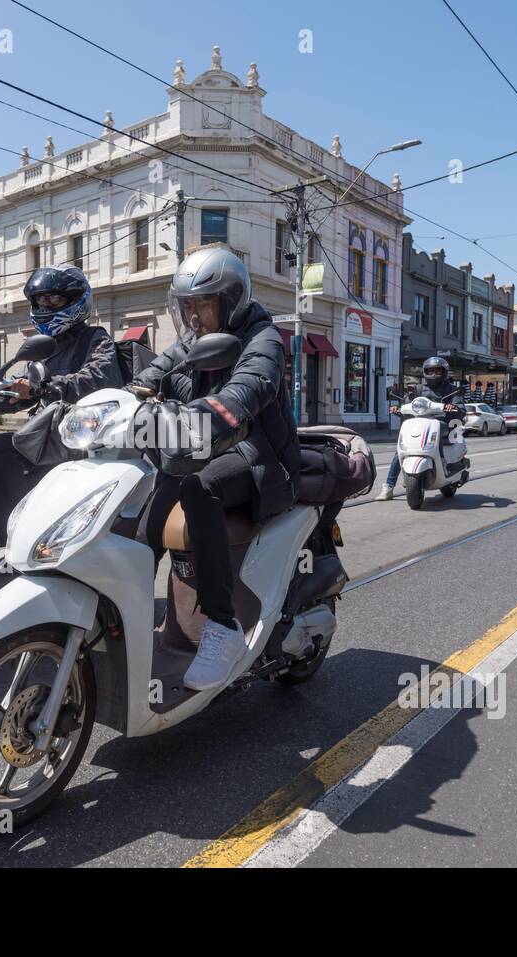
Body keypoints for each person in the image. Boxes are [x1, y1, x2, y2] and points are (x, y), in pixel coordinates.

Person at [133, 245, 300, 690]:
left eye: (202, 304)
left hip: (260, 455)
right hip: (205, 444)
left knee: (198, 489)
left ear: (231, 299)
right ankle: (123, 617)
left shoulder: (263, 339)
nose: (193, 316)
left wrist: (219, 409)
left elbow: (252, 384)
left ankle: (222, 626)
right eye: (187, 306)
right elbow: (159, 369)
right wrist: (131, 392)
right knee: (148, 499)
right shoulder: (194, 338)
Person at [0, 265, 122, 572]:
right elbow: (23, 387)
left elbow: (99, 377)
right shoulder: (44, 349)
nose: (45, 307)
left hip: (77, 441)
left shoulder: (93, 338)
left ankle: (17, 550)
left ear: (75, 300)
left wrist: (48, 385)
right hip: (44, 440)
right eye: (40, 301)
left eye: (54, 301)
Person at [374, 357, 463, 501]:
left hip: (441, 423)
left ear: (444, 372)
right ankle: (388, 487)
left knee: (438, 428)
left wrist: (453, 408)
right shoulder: (418, 389)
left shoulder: (452, 390)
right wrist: (398, 409)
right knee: (400, 450)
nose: (434, 374)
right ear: (425, 372)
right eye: (431, 370)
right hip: (419, 424)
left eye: (437, 371)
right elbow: (408, 404)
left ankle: (443, 465)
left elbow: (461, 409)